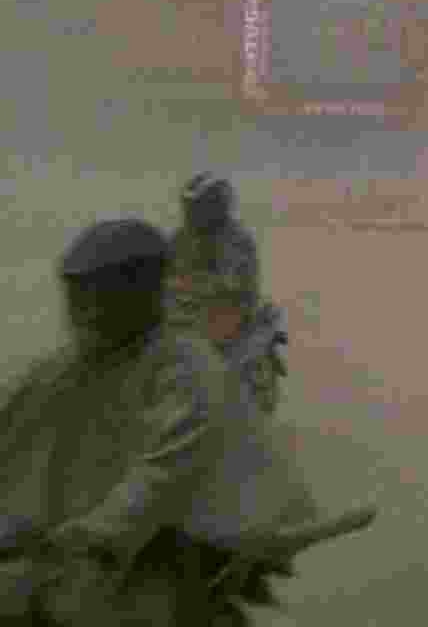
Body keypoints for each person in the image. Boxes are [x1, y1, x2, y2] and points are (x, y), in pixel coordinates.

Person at [0, 218, 319, 625]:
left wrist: (103, 527)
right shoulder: (64, 367)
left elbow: (166, 468)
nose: (85, 311)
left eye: (100, 296)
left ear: (142, 292)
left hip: (177, 538)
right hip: (71, 541)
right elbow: (11, 422)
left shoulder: (185, 365)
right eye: (77, 295)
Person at [169, 172, 287, 414]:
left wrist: (190, 284)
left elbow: (229, 283)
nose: (192, 214)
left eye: (197, 208)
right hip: (191, 308)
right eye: (190, 208)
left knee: (209, 355)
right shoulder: (182, 237)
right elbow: (165, 267)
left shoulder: (237, 241)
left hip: (232, 310)